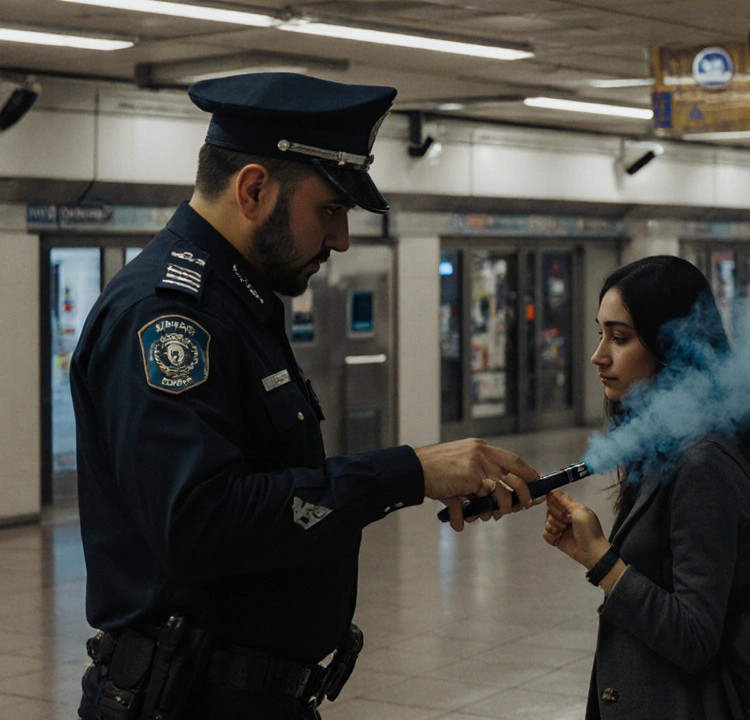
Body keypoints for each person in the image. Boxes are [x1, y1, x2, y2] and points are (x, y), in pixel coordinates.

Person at [72, 73, 538, 720]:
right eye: (330, 209)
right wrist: (406, 472)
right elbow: (201, 523)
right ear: (255, 189)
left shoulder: (239, 303)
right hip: (188, 703)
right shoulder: (169, 315)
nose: (342, 238)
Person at [541, 255, 750, 719]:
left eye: (620, 338)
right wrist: (587, 552)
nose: (599, 355)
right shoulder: (671, 445)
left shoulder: (702, 465)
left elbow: (694, 636)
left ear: (674, 345)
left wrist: (603, 559)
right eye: (600, 334)